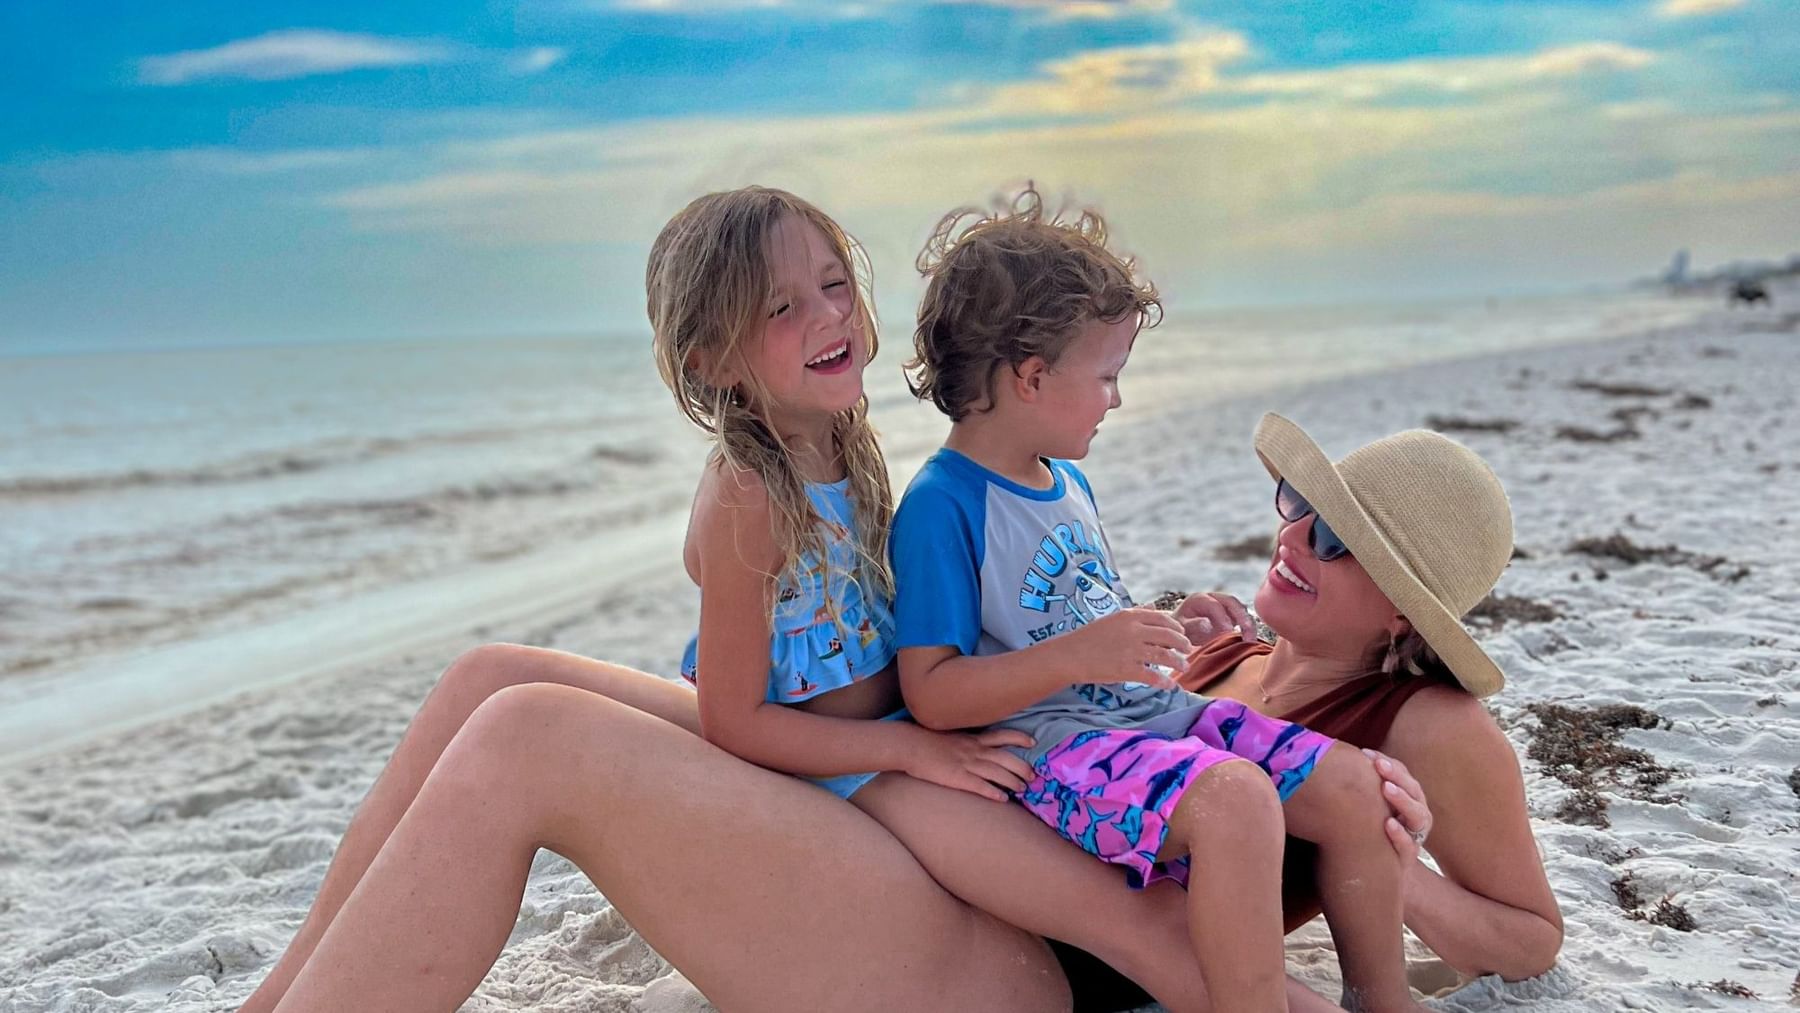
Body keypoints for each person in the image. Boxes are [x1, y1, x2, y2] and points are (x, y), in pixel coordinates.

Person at [886, 191, 1423, 1013]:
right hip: (1052, 753)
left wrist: (1172, 624)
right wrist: (1083, 655)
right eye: (1105, 376)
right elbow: (930, 691)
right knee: (1237, 801)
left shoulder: (1065, 479)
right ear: (1031, 378)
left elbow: (1077, 614)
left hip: (1147, 721)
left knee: (1355, 785)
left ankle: (1385, 1001)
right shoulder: (941, 505)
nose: (1116, 398)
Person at [1166, 413, 1565, 983]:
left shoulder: (1425, 723)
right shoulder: (1222, 653)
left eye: (1335, 539)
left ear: (1405, 610)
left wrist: (1390, 868)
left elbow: (1531, 942)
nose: (1293, 536)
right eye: (1302, 505)